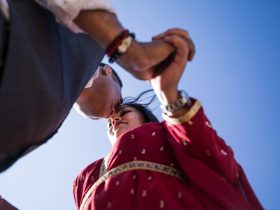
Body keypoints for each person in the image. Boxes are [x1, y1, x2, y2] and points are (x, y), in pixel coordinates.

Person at [73, 29, 263, 210]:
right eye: (109, 122)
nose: (114, 120)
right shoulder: (85, 178)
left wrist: (168, 93)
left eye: (124, 113)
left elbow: (207, 151)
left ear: (148, 122)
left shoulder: (168, 136)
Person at [0, 0, 177, 172]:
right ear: (107, 71)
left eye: (107, 123)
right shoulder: (93, 37)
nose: (113, 119)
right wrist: (128, 49)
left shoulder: (52, 123)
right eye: (120, 106)